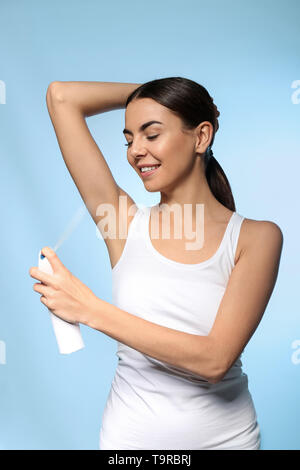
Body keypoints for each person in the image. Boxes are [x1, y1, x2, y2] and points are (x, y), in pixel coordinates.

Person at [45, 77, 283, 450]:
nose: (135, 150)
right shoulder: (121, 223)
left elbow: (214, 360)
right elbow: (61, 97)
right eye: (128, 139)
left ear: (201, 137)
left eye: (151, 134)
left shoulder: (257, 238)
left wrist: (89, 310)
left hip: (228, 442)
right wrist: (157, 94)